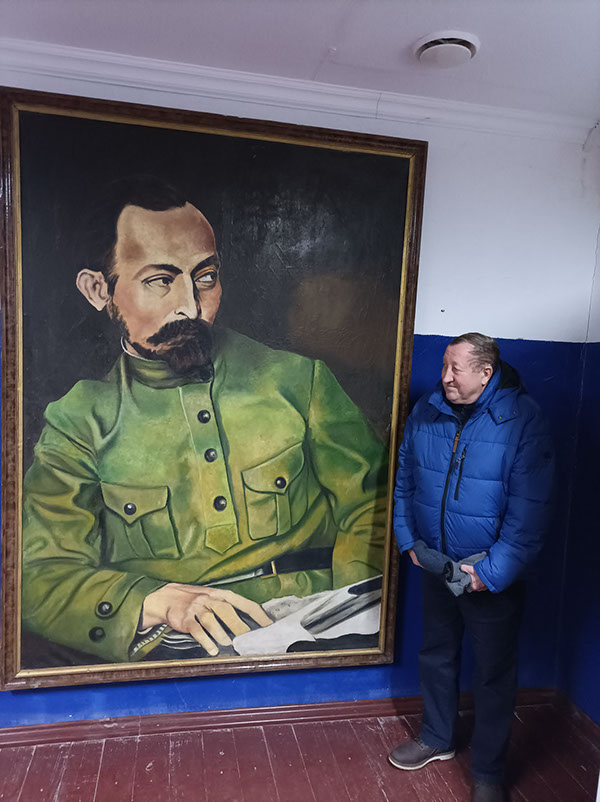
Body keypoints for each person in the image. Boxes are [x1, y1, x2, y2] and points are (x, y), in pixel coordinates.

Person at [21, 177, 387, 665]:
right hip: (175, 649)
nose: (191, 306)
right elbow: (38, 576)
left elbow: (375, 507)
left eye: (206, 277)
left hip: (319, 623)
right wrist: (154, 603)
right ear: (97, 290)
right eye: (159, 280)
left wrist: (350, 616)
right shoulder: (78, 423)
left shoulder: (299, 381)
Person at [390, 333, 554, 802]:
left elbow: (530, 511)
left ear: (486, 373)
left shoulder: (523, 420)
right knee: (436, 655)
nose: (445, 377)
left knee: (493, 675)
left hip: (487, 575)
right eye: (444, 365)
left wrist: (491, 573)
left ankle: (487, 773)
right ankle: (437, 737)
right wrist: (409, 542)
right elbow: (404, 481)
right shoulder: (426, 411)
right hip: (435, 565)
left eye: (455, 368)